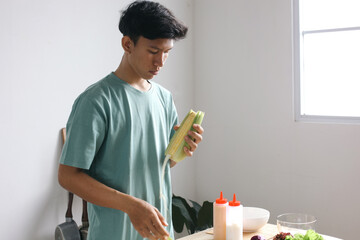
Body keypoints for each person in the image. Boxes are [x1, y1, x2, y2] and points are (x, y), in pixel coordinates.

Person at [58, 1, 204, 240]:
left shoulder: (164, 99)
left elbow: (161, 165)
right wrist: (131, 206)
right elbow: (68, 176)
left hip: (158, 233)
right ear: (127, 44)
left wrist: (182, 149)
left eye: (167, 53)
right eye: (153, 51)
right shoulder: (96, 101)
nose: (160, 62)